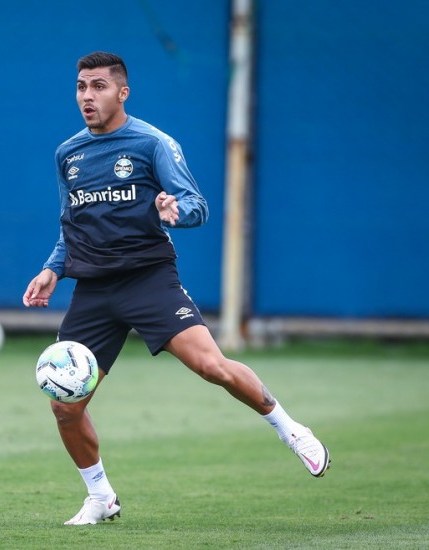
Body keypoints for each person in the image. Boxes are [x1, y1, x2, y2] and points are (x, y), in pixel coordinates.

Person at [22, 51, 330, 526]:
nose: (88, 96)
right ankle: (100, 496)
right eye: (82, 86)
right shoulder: (69, 153)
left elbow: (197, 204)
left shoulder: (152, 143)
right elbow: (71, 224)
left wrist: (175, 211)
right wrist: (52, 270)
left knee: (213, 367)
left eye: (99, 86)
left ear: (122, 92)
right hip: (94, 291)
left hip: (149, 281)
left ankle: (290, 429)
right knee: (65, 404)